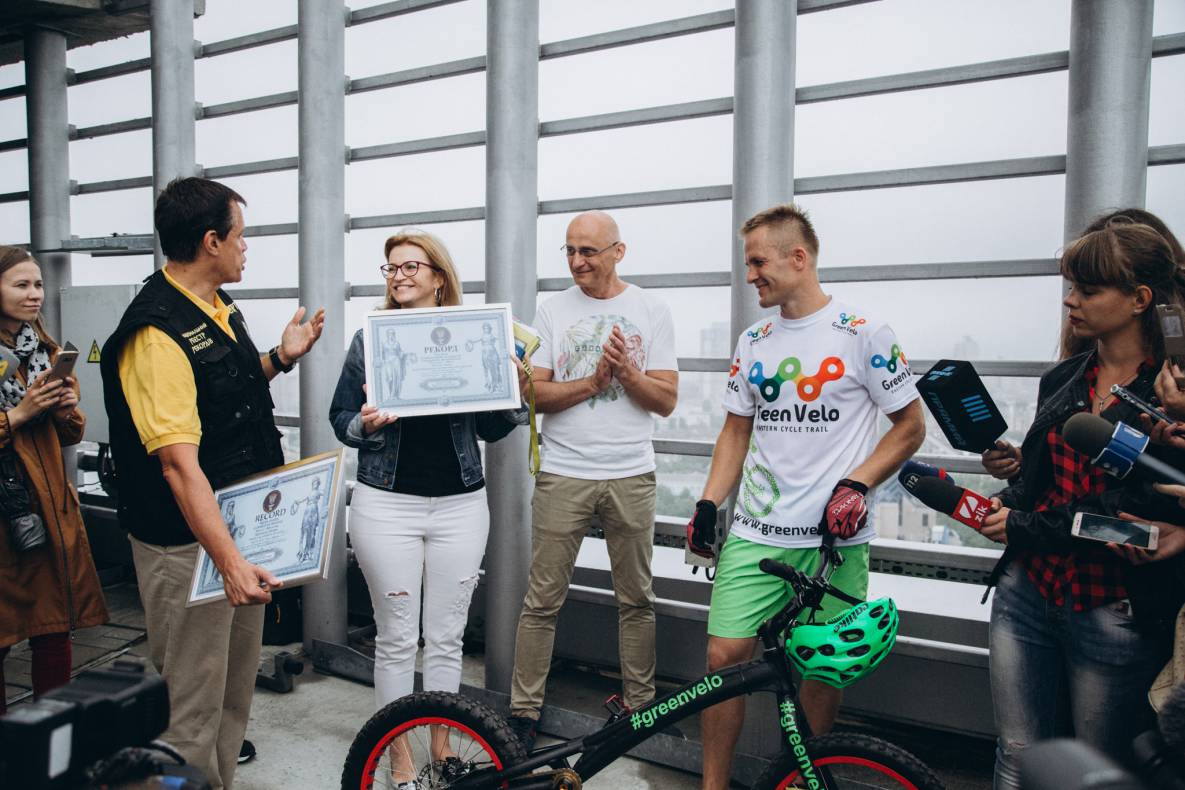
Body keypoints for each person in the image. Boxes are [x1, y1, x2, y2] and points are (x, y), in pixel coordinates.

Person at [100, 177, 325, 790]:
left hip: (231, 538)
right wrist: (227, 561)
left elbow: (218, 393)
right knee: (189, 713)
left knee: (231, 697)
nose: (246, 248)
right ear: (210, 242)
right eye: (241, 236)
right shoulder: (154, 335)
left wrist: (280, 358)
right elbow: (177, 464)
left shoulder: (214, 309)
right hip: (187, 549)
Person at [690, 204, 925, 790]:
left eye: (758, 262)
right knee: (723, 661)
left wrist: (857, 483)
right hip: (755, 534)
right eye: (748, 264)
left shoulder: (864, 333)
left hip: (834, 543)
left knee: (821, 671)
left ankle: (803, 783)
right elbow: (735, 431)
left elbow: (910, 426)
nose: (750, 276)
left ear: (799, 258)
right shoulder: (754, 340)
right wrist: (707, 503)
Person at [978, 214, 1185, 789]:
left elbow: (1118, 519)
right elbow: (1045, 489)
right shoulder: (1066, 377)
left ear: (1141, 299)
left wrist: (1020, 523)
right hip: (1028, 593)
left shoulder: (1171, 400)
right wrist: (1012, 487)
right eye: (1070, 286)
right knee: (1018, 756)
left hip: (1114, 605)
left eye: (1087, 290)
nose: (1071, 301)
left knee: (1094, 773)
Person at [329, 229, 527, 788]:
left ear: (439, 276)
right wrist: (363, 426)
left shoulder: (472, 336)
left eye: (411, 266)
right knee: (395, 638)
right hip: (384, 505)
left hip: (461, 506)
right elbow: (339, 416)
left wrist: (507, 388)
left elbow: (490, 427)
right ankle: (396, 758)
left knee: (445, 638)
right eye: (391, 268)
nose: (399, 276)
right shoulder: (371, 339)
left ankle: (442, 751)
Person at [506, 210, 679, 749]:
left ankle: (640, 707)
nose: (578, 262)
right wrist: (594, 381)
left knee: (637, 599)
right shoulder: (551, 309)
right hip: (564, 472)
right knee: (542, 601)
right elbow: (533, 395)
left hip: (631, 473)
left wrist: (626, 375)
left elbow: (668, 401)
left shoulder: (652, 308)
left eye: (589, 252)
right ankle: (522, 711)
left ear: (617, 252)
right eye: (570, 251)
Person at [0, 246, 108, 715]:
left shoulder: (44, 350)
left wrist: (64, 408)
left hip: (49, 506)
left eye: (38, 285)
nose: (34, 295)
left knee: (53, 626)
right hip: (9, 512)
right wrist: (20, 413)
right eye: (20, 285)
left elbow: (70, 432)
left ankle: (50, 737)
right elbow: (22, 421)